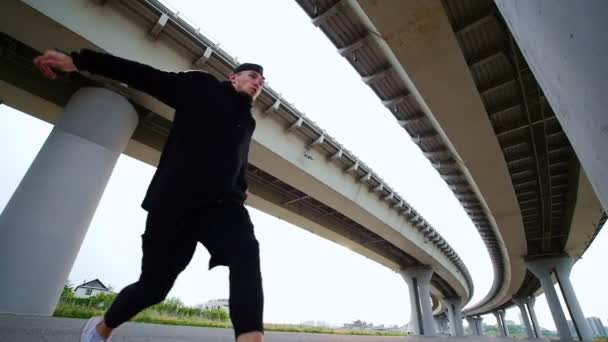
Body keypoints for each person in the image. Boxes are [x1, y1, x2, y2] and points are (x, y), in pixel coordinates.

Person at [33, 48, 266, 342]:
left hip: (222, 205)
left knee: (246, 253)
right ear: (233, 76)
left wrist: (242, 184)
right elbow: (144, 76)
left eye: (263, 82)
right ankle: (101, 328)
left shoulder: (248, 121)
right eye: (253, 76)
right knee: (154, 287)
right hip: (174, 204)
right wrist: (80, 61)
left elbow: (238, 158)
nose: (259, 83)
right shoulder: (202, 87)